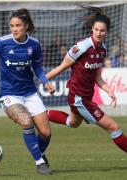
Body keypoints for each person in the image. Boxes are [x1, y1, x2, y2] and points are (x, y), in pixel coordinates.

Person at [0, 9, 55, 175]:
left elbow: (37, 67)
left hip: (30, 93)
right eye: (12, 26)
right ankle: (40, 163)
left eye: (18, 26)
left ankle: (39, 153)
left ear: (26, 27)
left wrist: (45, 82)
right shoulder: (2, 42)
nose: (14, 29)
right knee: (26, 122)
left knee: (46, 133)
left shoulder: (35, 44)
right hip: (9, 94)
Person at [46, 8, 127, 154]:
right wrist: (43, 80)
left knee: (73, 123)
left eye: (102, 30)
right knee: (114, 127)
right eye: (96, 29)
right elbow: (62, 67)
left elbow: (97, 76)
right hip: (79, 97)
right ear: (92, 29)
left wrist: (110, 92)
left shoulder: (103, 49)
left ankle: (42, 114)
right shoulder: (82, 47)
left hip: (86, 96)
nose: (98, 33)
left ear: (106, 31)